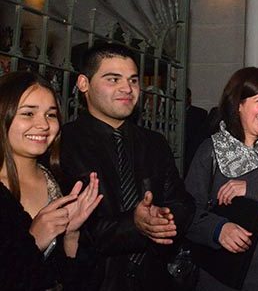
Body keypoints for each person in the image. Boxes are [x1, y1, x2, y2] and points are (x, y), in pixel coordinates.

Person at [61, 43, 195, 291]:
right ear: (83, 84)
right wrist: (135, 224)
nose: (127, 88)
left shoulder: (154, 143)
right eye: (113, 79)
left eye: (133, 80)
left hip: (155, 279)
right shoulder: (63, 143)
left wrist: (162, 221)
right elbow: (71, 227)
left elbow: (182, 202)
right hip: (93, 281)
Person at [185, 67, 258, 290]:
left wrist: (252, 188)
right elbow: (186, 210)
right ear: (239, 104)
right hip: (225, 278)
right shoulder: (212, 151)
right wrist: (218, 229)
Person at [0, 71, 102, 290]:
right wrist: (33, 242)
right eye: (28, 113)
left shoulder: (62, 184)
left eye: (51, 114)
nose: (44, 125)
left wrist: (72, 235)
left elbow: (80, 280)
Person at [184, 88, 209, 176]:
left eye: (186, 97)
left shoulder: (200, 114)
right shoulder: (170, 112)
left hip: (192, 153)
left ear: (189, 98)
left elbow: (202, 136)